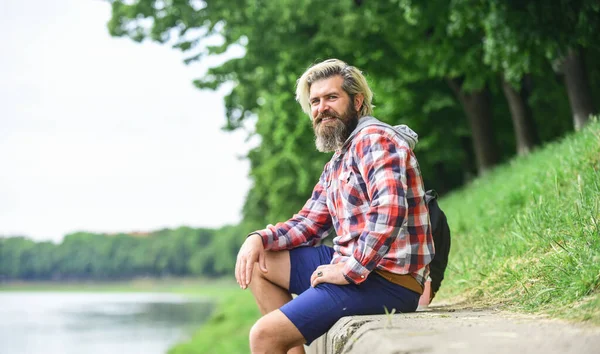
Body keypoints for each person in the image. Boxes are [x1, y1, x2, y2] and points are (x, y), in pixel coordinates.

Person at [235, 59, 434, 354]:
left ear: (357, 101)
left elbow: (389, 211)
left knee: (263, 336)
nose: (321, 107)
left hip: (389, 280)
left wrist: (349, 271)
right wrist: (259, 238)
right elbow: (308, 223)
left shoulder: (375, 140)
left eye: (331, 97)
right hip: (354, 264)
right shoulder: (338, 161)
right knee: (260, 263)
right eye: (315, 101)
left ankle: (279, 337)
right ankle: (287, 338)